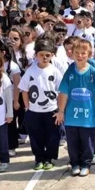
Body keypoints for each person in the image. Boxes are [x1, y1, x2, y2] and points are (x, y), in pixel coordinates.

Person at [55, 38, 95, 177]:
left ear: (89, 55)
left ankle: (86, 163)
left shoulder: (94, 73)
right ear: (71, 54)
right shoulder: (69, 72)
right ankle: (75, 163)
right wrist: (60, 111)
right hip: (71, 116)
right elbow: (64, 93)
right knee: (72, 142)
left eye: (83, 53)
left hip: (88, 116)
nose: (80, 55)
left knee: (88, 142)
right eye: (77, 52)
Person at [21, 39, 62, 170]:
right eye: (41, 54)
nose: (44, 57)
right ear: (36, 55)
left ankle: (49, 158)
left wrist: (60, 110)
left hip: (51, 110)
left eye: (48, 55)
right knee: (36, 137)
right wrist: (28, 107)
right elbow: (24, 90)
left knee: (52, 136)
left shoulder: (55, 71)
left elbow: (61, 91)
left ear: (52, 55)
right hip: (34, 111)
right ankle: (39, 158)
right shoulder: (30, 71)